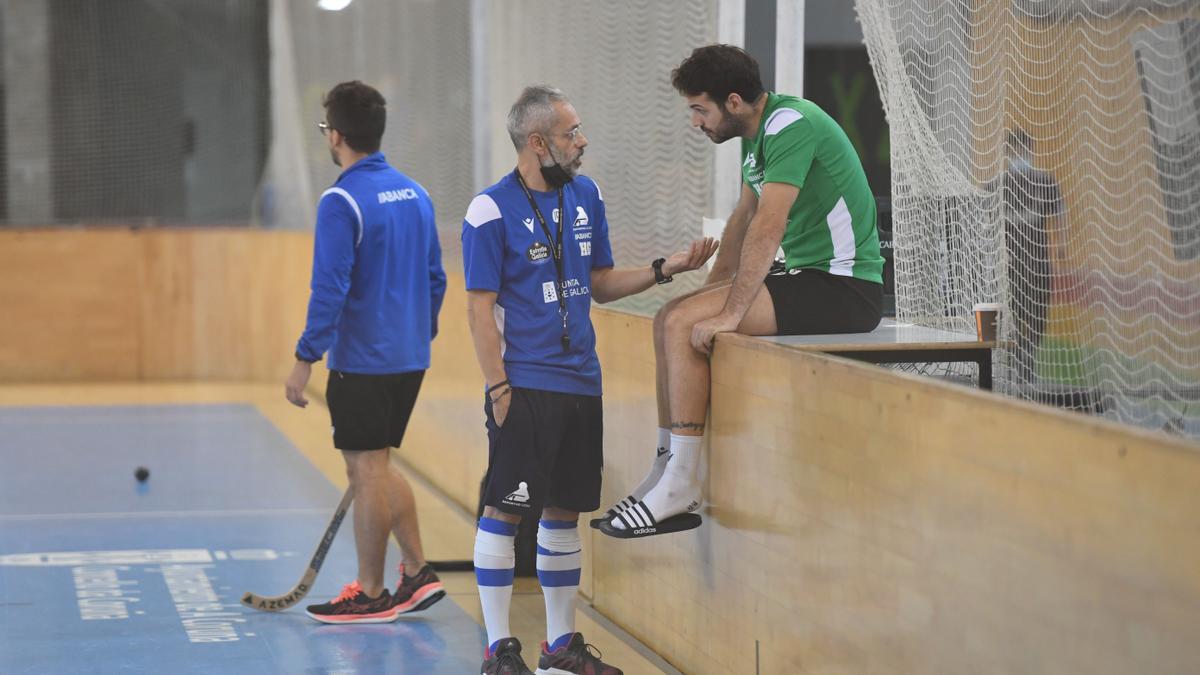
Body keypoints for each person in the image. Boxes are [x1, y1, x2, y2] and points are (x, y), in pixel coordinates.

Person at [462, 85, 717, 675]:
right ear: (537, 141)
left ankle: (559, 647)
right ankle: (499, 649)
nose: (581, 142)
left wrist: (664, 270)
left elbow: (598, 281)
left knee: (564, 512)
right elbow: (478, 310)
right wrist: (499, 388)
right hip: (524, 386)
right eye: (571, 132)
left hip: (582, 383)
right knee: (505, 510)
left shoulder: (586, 196)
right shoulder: (490, 210)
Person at [595, 44, 885, 539]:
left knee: (686, 322)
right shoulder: (757, 136)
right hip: (808, 279)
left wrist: (728, 314)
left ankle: (683, 482)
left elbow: (768, 228)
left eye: (699, 110)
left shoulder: (791, 124)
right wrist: (702, 298)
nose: (695, 122)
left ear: (733, 102)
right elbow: (741, 222)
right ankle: (667, 468)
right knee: (671, 316)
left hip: (845, 287)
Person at [285, 80, 448, 624]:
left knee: (366, 472)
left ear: (335, 135)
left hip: (363, 361)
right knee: (377, 466)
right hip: (408, 358)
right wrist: (417, 335)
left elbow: (329, 287)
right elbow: (436, 278)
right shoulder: (415, 192)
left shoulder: (341, 199)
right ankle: (418, 571)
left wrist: (305, 357)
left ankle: (374, 592)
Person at [995, 128, 1063, 384]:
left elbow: (1059, 212)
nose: (1021, 154)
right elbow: (983, 211)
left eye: (1024, 149)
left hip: (1038, 264)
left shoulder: (1045, 182)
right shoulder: (999, 184)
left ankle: (1027, 363)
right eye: (1015, 150)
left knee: (1037, 316)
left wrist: (1062, 245)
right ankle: (1015, 365)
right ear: (1009, 152)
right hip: (1010, 266)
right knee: (1013, 316)